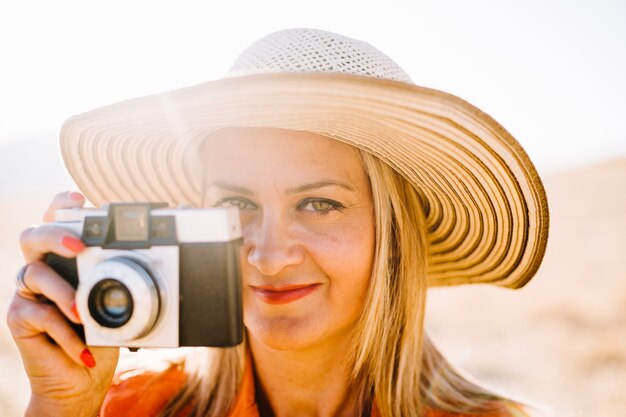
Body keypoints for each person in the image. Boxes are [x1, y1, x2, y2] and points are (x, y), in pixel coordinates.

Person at [7, 28, 549, 417]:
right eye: (237, 206)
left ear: (394, 236)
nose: (267, 255)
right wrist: (63, 404)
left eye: (319, 204)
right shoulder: (131, 407)